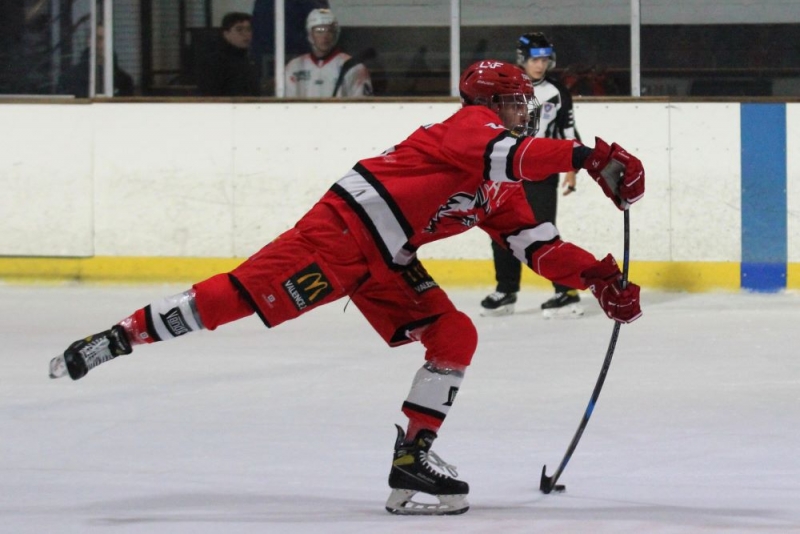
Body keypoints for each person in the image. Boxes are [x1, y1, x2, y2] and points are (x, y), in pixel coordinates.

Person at [48, 60, 644, 516]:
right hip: (337, 237)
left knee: (453, 332)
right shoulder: (471, 127)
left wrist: (597, 276)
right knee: (234, 298)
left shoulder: (503, 180)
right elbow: (510, 154)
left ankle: (412, 460)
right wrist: (587, 156)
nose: (524, 111)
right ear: (492, 103)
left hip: (388, 257)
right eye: (516, 103)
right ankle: (121, 337)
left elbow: (537, 247)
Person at [480, 32, 583, 318]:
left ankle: (566, 292)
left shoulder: (557, 92)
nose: (540, 65)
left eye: (545, 59)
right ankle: (506, 291)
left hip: (541, 171)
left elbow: (568, 134)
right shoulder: (500, 91)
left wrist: (571, 170)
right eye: (535, 59)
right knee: (501, 229)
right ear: (522, 60)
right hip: (504, 172)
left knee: (541, 231)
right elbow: (485, 129)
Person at [284, 8, 373, 97]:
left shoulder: (353, 67)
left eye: (329, 30)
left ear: (336, 34)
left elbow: (363, 106)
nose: (325, 36)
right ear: (310, 34)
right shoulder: (295, 66)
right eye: (319, 30)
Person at [57, 25, 134, 97]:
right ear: (89, 41)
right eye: (99, 38)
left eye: (107, 39)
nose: (103, 44)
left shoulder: (124, 81)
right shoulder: (69, 79)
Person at [196, 12, 260, 97]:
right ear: (226, 34)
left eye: (248, 29)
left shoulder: (250, 60)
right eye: (239, 30)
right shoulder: (214, 62)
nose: (246, 34)